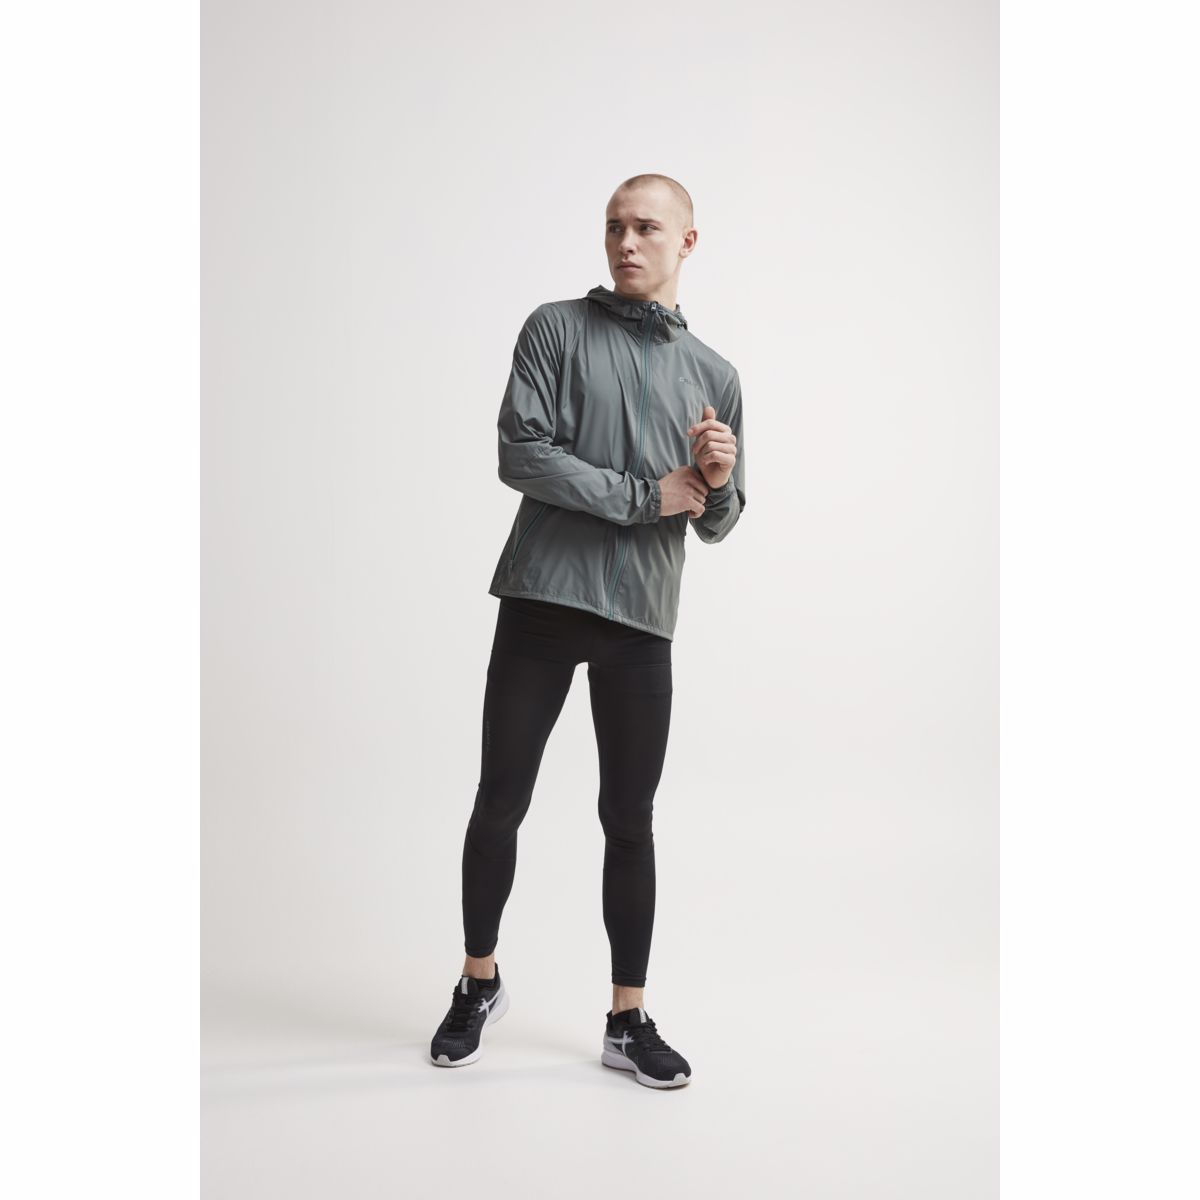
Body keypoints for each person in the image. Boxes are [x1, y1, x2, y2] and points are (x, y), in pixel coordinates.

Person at [429, 173, 747, 1089]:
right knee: (501, 799)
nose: (626, 243)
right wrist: (649, 496)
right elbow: (522, 453)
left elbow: (718, 523)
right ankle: (478, 980)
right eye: (614, 227)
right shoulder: (555, 329)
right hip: (541, 601)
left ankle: (626, 1017)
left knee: (629, 820)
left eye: (646, 227)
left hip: (641, 621)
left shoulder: (716, 375)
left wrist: (717, 479)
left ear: (687, 242)